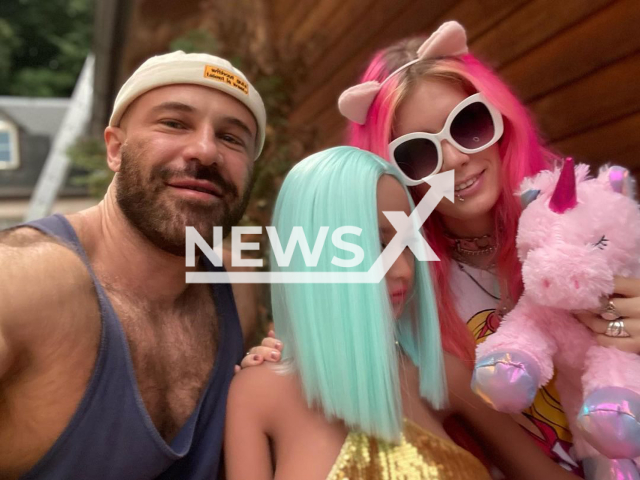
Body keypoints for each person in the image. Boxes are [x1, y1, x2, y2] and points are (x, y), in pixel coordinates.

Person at [244, 21, 640, 478]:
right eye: (417, 153)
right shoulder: (406, 294)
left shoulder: (594, 223)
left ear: (499, 120)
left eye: (468, 124)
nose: (454, 159)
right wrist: (289, 353)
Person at [226, 146, 580, 480]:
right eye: (377, 244)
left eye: (408, 244)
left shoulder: (437, 374)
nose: (405, 271)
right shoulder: (256, 394)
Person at [0, 50, 266, 479]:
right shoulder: (22, 284)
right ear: (115, 149)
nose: (205, 150)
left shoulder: (237, 284)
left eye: (232, 138)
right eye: (174, 123)